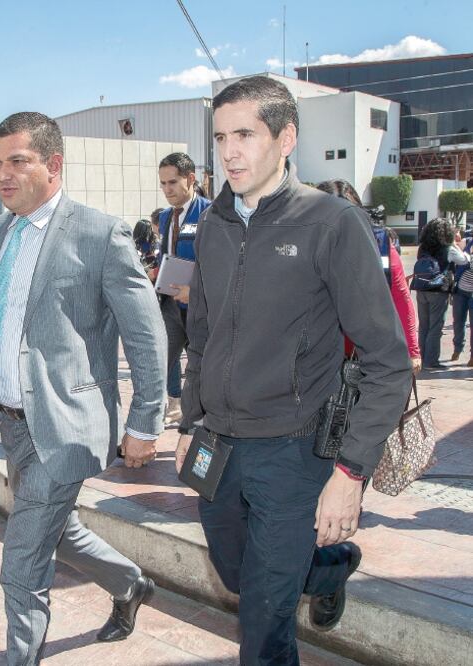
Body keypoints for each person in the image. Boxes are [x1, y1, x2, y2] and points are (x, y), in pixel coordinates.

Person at [175, 76, 411, 663]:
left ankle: (295, 580)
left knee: (263, 621)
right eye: (220, 137)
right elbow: (200, 337)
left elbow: (387, 361)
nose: (229, 152)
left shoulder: (331, 223)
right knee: (237, 576)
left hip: (294, 452)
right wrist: (189, 422)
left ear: (286, 139)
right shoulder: (212, 226)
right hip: (217, 445)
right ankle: (327, 566)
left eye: (245, 135)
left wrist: (350, 473)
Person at [0, 112, 167, 665]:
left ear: (53, 165)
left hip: (66, 424)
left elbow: (146, 335)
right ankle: (130, 584)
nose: (2, 175)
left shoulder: (100, 234)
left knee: (22, 560)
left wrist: (145, 420)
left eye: (18, 161)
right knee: (57, 530)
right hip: (9, 424)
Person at [315, 179, 421, 373]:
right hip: (315, 355)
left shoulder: (380, 247)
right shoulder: (302, 248)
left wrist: (412, 351)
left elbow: (400, 298)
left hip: (366, 355)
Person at [156, 153, 211, 426]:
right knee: (161, 357)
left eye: (172, 183)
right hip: (170, 304)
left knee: (200, 365)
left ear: (190, 179)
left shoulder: (210, 214)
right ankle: (173, 403)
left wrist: (196, 290)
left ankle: (197, 419)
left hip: (200, 307)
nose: (167, 190)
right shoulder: (166, 216)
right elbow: (165, 254)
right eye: (163, 184)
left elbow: (221, 264)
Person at [412, 217, 470, 369]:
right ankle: (431, 361)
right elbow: (464, 260)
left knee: (424, 326)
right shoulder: (448, 248)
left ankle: (421, 358)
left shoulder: (422, 247)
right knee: (435, 327)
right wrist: (455, 244)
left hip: (421, 288)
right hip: (438, 290)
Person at [450, 230, 473, 364]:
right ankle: (458, 349)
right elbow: (454, 251)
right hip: (461, 290)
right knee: (458, 321)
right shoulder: (467, 242)